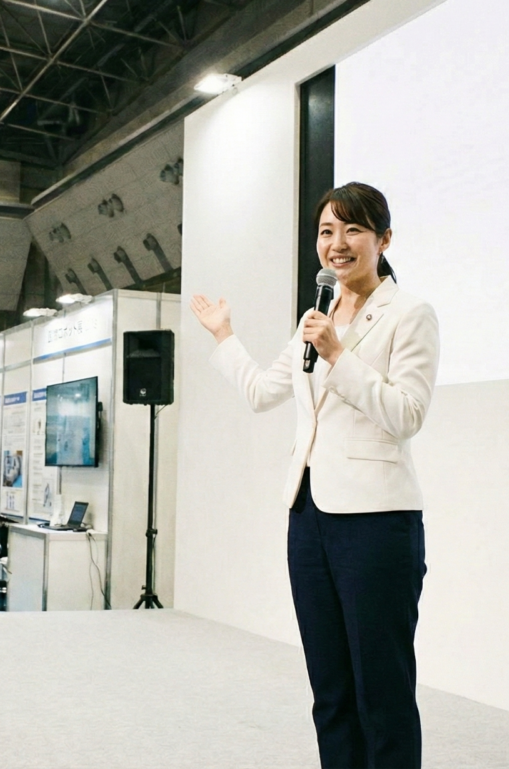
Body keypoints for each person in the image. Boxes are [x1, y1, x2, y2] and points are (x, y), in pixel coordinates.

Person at [191, 182, 439, 769]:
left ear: (383, 239)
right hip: (308, 517)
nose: (337, 243)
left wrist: (337, 355)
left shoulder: (409, 314)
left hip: (377, 523)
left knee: (382, 692)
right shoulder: (317, 316)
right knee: (330, 691)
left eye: (353, 229)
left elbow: (407, 413)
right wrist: (224, 335)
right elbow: (262, 393)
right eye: (327, 231)